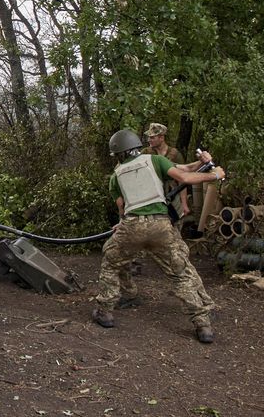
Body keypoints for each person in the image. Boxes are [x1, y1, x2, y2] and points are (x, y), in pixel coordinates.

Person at [92, 129, 224, 344]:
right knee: (179, 273)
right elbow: (183, 176)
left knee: (110, 262)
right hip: (161, 225)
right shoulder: (155, 160)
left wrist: (121, 225)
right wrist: (215, 174)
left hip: (132, 227)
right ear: (137, 145)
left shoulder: (116, 175)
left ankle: (105, 312)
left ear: (117, 153)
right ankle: (203, 324)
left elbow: (122, 209)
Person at [141, 123, 189, 217]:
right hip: (152, 197)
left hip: (171, 196)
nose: (148, 140)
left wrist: (184, 204)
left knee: (176, 222)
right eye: (149, 137)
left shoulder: (175, 155)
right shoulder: (146, 153)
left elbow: (182, 180)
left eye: (152, 138)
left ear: (161, 138)